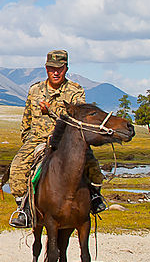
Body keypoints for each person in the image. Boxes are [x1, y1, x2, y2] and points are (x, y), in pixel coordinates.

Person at [7, 49, 106, 228]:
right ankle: (24, 209)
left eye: (59, 68)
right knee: (17, 167)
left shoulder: (75, 91)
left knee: (93, 165)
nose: (55, 72)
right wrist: (28, 139)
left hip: (67, 142)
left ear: (66, 68)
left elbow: (77, 117)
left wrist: (51, 110)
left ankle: (95, 197)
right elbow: (26, 119)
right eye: (52, 68)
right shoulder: (35, 90)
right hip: (38, 139)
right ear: (46, 68)